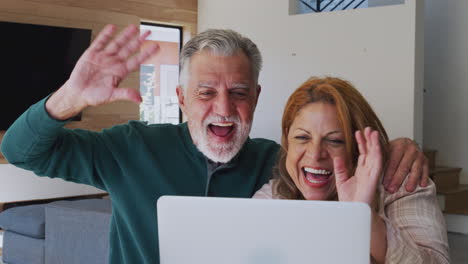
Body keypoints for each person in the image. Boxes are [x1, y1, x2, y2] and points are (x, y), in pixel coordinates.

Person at [1, 24, 428, 263]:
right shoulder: (128, 146)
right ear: (182, 98)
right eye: (206, 93)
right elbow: (23, 151)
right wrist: (67, 100)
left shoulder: (278, 166)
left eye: (239, 92)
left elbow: (329, 162)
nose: (223, 109)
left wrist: (394, 148)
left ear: (256, 97)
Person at [253, 77, 450, 264]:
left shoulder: (401, 184)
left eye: (335, 140)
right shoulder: (274, 196)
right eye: (303, 138)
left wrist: (363, 215)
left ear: (358, 149)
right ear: (287, 141)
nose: (315, 155)